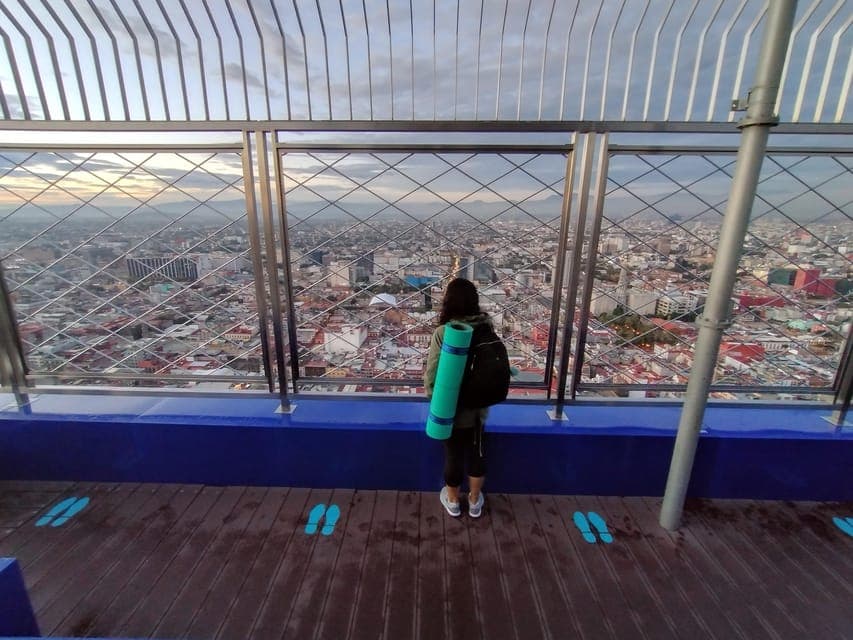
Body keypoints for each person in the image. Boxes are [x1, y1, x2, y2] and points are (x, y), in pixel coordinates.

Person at [424, 278, 491, 518]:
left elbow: (432, 373)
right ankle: (474, 500)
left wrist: (435, 398)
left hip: (450, 407)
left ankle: (453, 499)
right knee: (477, 453)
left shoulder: (445, 332)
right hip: (479, 408)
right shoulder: (486, 328)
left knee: (453, 455)